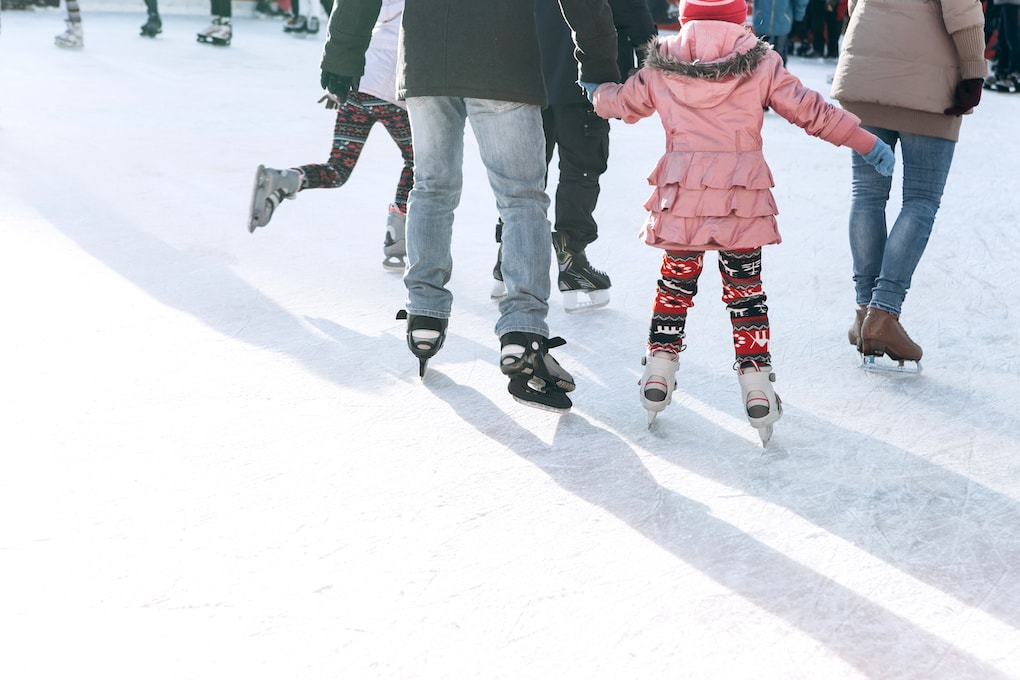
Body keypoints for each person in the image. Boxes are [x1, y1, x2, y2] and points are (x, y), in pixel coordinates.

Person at [582, 0, 894, 441]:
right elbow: (811, 111)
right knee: (746, 293)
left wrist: (596, 91)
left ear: (687, 16)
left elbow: (623, 103)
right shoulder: (761, 61)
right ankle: (757, 387)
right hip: (740, 199)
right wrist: (865, 142)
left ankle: (658, 373)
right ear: (738, 16)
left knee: (675, 285)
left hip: (683, 198)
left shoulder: (664, 61)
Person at [320, 0, 620, 412]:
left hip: (428, 60)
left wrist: (343, 53)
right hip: (504, 62)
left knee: (431, 187)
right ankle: (523, 332)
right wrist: (599, 63)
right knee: (521, 200)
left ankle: (424, 312)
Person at [830, 0, 986, 370]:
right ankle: (883, 314)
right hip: (928, 84)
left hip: (865, 71)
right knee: (921, 200)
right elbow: (962, 9)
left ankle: (865, 311)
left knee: (867, 195)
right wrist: (973, 72)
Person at [491, 0, 657, 312]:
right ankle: (572, 260)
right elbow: (631, 9)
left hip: (528, 71)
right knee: (581, 168)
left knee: (526, 172)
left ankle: (509, 254)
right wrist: (650, 57)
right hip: (588, 74)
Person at [248, 0, 412, 272]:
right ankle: (397, 236)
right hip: (393, 90)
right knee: (417, 161)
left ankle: (285, 179)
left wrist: (339, 86)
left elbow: (359, 18)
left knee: (337, 169)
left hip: (358, 80)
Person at [752, 0, 807, 65]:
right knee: (758, 59)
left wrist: (799, 18)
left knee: (779, 59)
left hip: (783, 23)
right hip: (761, 21)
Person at [985, 0, 1020, 92]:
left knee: (1012, 36)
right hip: (1002, 2)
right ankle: (1003, 70)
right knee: (1002, 37)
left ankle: (1015, 71)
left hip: (1013, 2)